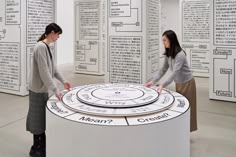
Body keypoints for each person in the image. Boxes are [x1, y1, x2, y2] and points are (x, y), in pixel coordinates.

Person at [26, 23, 71, 157]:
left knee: (41, 119)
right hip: (37, 89)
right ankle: (36, 149)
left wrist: (64, 81)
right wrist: (56, 89)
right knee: (37, 120)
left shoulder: (46, 47)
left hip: (43, 89)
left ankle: (40, 146)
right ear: (52, 32)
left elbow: (54, 68)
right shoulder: (40, 47)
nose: (58, 37)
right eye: (58, 34)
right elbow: (44, 72)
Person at [145, 30, 197, 132]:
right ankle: (181, 131)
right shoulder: (168, 53)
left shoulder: (180, 55)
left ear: (171, 40)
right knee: (180, 108)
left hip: (188, 84)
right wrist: (153, 81)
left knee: (188, 109)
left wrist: (162, 85)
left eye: (165, 40)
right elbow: (163, 69)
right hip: (179, 83)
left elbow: (174, 73)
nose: (163, 42)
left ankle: (187, 131)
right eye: (162, 40)